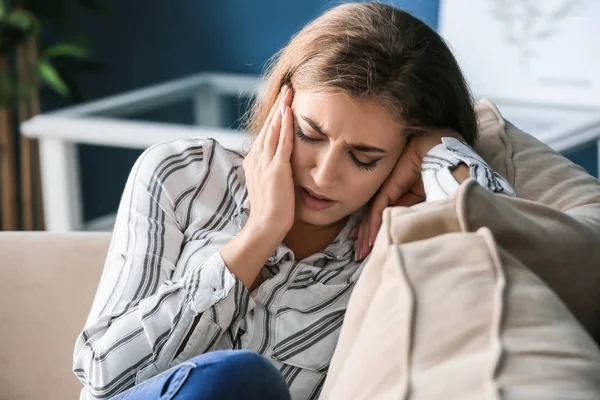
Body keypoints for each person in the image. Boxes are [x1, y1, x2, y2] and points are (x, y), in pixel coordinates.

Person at [73, 2, 515, 399]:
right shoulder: (183, 176)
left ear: (401, 158)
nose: (324, 175)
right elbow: (101, 375)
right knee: (238, 378)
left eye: (364, 158)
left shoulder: (394, 244)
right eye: (309, 134)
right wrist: (260, 234)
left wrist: (443, 148)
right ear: (281, 103)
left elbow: (512, 261)